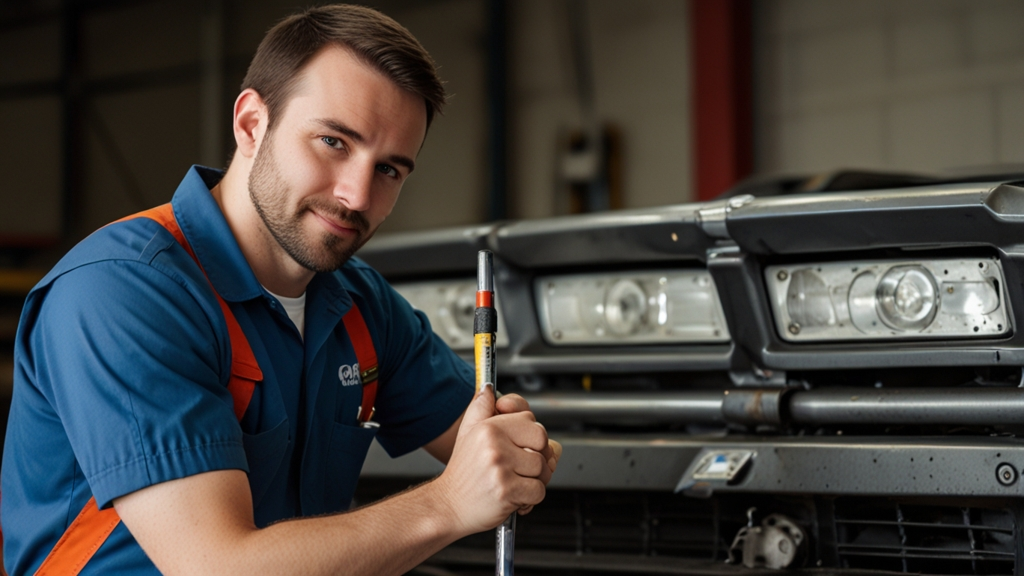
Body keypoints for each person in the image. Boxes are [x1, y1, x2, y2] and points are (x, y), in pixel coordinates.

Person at [1, 4, 561, 574]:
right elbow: (216, 566)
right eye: (333, 142)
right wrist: (447, 505)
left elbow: (482, 440)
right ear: (251, 124)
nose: (357, 196)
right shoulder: (121, 293)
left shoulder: (361, 306)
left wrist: (515, 452)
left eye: (390, 169)